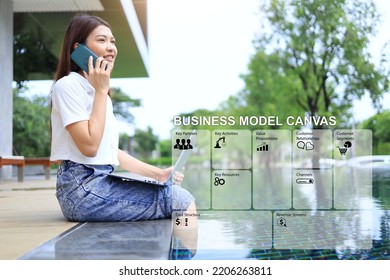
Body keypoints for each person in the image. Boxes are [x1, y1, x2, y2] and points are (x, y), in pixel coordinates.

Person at [50, 13, 196, 222]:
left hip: (100, 181)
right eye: (101, 40)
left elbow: (109, 151)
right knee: (180, 199)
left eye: (112, 41)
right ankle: (184, 255)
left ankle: (179, 253)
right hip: (80, 190)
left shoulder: (99, 94)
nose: (111, 47)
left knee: (174, 194)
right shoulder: (68, 86)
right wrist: (102, 91)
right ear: (78, 49)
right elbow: (89, 147)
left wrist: (159, 174)